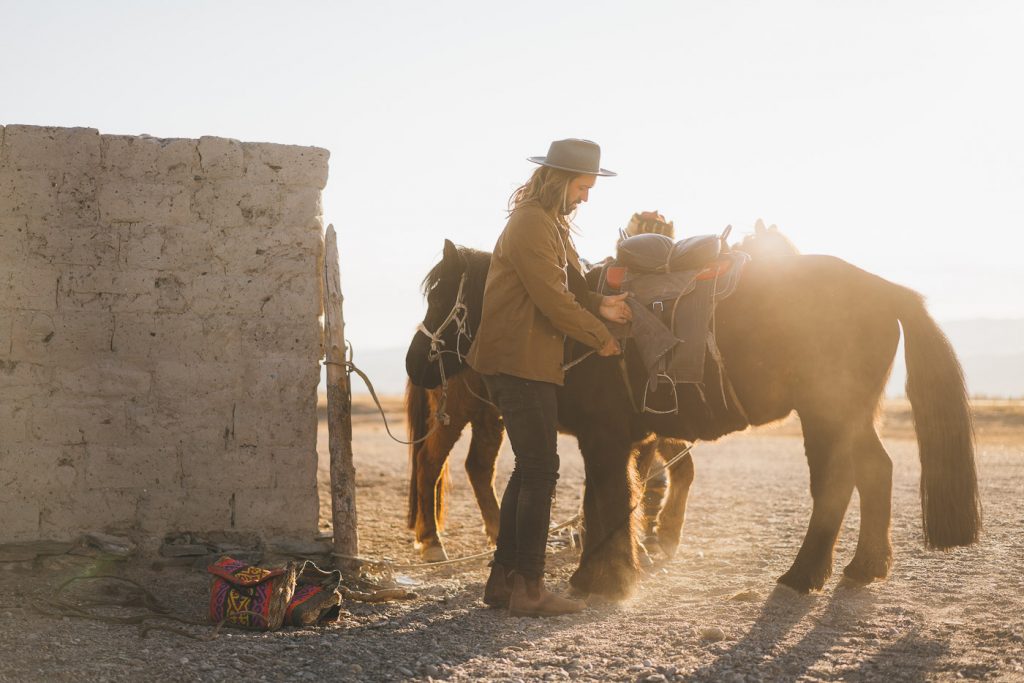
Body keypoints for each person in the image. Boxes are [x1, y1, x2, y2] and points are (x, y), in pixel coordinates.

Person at [466, 138, 632, 617]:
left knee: (529, 466)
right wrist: (599, 335)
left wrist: (601, 304)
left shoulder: (549, 225)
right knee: (541, 469)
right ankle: (531, 589)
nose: (586, 196)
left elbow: (572, 287)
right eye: (582, 186)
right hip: (519, 363)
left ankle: (502, 581)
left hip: (526, 360)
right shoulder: (532, 225)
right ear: (560, 181)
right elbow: (552, 299)